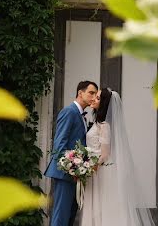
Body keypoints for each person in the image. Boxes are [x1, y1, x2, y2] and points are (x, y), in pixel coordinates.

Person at [81, 87, 156, 226]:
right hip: (95, 170)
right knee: (97, 207)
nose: (93, 99)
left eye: (97, 98)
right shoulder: (97, 123)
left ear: (103, 103)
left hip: (100, 170)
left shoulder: (104, 126)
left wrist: (87, 165)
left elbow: (105, 154)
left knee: (106, 207)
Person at [45, 80, 98, 226]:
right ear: (80, 93)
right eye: (91, 93)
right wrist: (71, 168)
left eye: (95, 94)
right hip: (65, 173)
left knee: (70, 216)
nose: (94, 97)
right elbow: (59, 144)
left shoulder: (82, 115)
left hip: (75, 174)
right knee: (61, 216)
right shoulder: (69, 112)